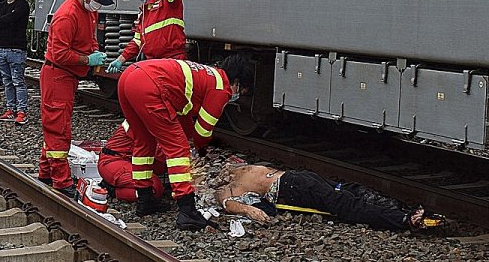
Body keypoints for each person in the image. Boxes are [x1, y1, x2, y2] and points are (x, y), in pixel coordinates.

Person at [118, 54, 255, 230]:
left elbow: (184, 117)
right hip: (150, 84)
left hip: (130, 76)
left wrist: (192, 138)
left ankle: (145, 200)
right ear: (236, 82)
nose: (237, 95)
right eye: (241, 91)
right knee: (178, 150)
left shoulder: (208, 74)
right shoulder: (222, 88)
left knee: (144, 142)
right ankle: (187, 211)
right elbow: (202, 132)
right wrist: (202, 151)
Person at [40, 0, 113, 198]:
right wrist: (87, 60)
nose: (98, 5)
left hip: (67, 76)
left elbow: (89, 38)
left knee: (57, 124)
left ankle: (45, 172)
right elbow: (59, 54)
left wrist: (94, 51)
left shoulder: (88, 10)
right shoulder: (67, 15)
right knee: (59, 129)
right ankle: (61, 181)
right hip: (58, 75)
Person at [210, 162, 439, 231]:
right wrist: (250, 210)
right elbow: (230, 205)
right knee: (349, 193)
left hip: (293, 184)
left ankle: (405, 218)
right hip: (297, 178)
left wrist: (250, 209)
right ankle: (405, 213)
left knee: (348, 203)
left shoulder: (235, 175)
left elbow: (229, 204)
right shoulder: (232, 184)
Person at [97, 120, 167, 208]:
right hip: (112, 162)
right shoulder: (142, 121)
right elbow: (160, 151)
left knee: (161, 166)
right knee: (154, 188)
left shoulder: (146, 116)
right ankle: (113, 191)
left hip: (123, 160)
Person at [0, 0, 31, 124]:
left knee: (18, 81)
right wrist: (4, 22)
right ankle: (11, 109)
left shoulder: (22, 5)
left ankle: (22, 111)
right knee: (7, 82)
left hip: (17, 49)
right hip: (1, 49)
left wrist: (2, 22)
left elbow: (12, 19)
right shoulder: (1, 5)